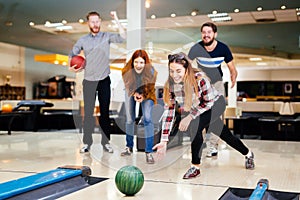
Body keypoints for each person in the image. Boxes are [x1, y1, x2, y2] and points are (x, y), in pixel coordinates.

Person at [153, 52, 254, 179]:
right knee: (225, 135)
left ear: (186, 69)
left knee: (195, 125)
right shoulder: (171, 85)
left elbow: (208, 102)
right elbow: (169, 111)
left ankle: (195, 167)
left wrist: (189, 117)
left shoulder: (200, 79)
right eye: (171, 71)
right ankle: (249, 154)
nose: (174, 75)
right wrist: (164, 140)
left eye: (178, 71)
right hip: (200, 108)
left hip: (215, 104)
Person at [69, 11, 126, 153]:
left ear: (100, 21)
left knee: (105, 113)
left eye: (97, 21)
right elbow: (72, 54)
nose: (95, 24)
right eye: (92, 21)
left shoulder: (107, 37)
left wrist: (117, 19)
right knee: (88, 113)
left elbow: (123, 37)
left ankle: (106, 143)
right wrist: (73, 67)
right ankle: (87, 143)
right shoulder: (83, 40)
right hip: (88, 80)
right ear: (88, 23)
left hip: (104, 79)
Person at [188, 22, 238, 157]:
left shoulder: (223, 49)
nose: (206, 35)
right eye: (203, 32)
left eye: (209, 32)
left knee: (216, 116)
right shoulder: (196, 48)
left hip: (217, 84)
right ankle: (199, 143)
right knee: (199, 114)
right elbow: (186, 65)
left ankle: (213, 146)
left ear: (215, 34)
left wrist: (233, 78)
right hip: (200, 85)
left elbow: (232, 68)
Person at [121, 49, 158, 164]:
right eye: (136, 62)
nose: (138, 65)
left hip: (147, 92)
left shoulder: (151, 71)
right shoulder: (126, 70)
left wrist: (143, 95)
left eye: (141, 62)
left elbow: (150, 87)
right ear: (132, 62)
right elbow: (128, 85)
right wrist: (135, 94)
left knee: (147, 119)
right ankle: (129, 147)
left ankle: (149, 151)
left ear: (145, 63)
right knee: (130, 119)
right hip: (131, 91)